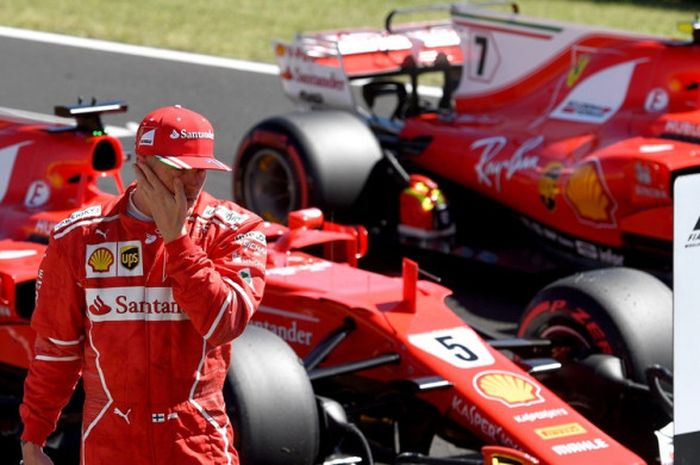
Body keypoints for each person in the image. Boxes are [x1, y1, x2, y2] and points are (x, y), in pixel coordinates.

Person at [19, 105, 267, 465]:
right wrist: (33, 441)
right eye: (179, 170)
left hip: (197, 440)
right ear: (143, 166)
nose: (192, 183)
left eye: (201, 170)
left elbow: (224, 323)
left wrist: (177, 241)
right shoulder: (79, 237)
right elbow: (56, 350)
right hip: (110, 440)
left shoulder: (234, 230)